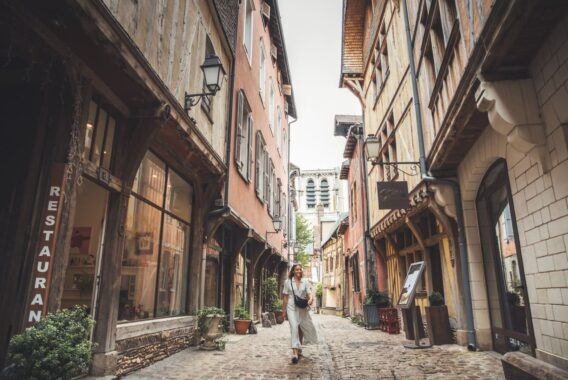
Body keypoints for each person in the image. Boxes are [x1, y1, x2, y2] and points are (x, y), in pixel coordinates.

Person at [282, 263, 318, 364]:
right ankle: (294, 352)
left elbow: (309, 294)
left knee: (301, 327)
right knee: (294, 327)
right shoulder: (288, 282)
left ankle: (299, 347)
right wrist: (283, 311)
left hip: (302, 307)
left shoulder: (305, 282)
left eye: (300, 269)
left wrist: (310, 299)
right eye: (296, 270)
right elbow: (285, 297)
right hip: (291, 307)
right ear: (293, 271)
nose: (299, 271)